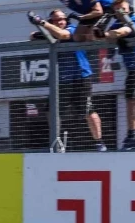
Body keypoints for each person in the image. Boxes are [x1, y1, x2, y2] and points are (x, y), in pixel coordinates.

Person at [28, 9, 107, 152]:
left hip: (81, 77)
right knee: (51, 109)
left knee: (88, 109)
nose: (60, 22)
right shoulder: (51, 33)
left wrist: (42, 24)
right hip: (63, 79)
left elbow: (63, 35)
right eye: (56, 20)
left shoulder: (73, 29)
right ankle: (56, 141)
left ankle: (99, 142)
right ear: (52, 21)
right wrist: (44, 33)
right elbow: (32, 36)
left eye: (62, 19)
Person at [97, 0, 135, 151]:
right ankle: (133, 134)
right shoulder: (117, 23)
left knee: (134, 99)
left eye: (123, 8)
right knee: (131, 98)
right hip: (132, 68)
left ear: (129, 9)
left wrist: (106, 34)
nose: (121, 11)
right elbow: (104, 38)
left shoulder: (133, 21)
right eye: (118, 10)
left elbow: (122, 32)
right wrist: (102, 27)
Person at [13, 0, 114, 42]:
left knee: (94, 35)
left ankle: (115, 40)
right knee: (78, 38)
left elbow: (99, 11)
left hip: (105, 8)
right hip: (89, 13)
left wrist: (81, 17)